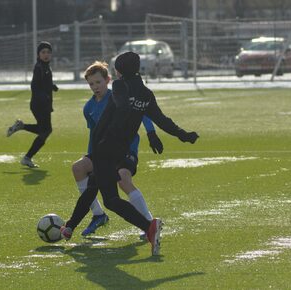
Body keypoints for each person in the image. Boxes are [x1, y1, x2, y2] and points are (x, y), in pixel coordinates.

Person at [61, 52, 199, 256]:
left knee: (109, 199)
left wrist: (122, 109)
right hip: (119, 150)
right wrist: (183, 135)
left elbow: (121, 105)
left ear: (118, 71)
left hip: (104, 147)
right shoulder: (145, 94)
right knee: (93, 187)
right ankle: (70, 226)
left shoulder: (119, 86)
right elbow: (162, 120)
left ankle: (149, 227)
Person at [72, 61, 163, 238]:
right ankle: (98, 215)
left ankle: (150, 223)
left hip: (125, 149)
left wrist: (151, 132)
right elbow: (94, 135)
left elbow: (142, 112)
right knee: (78, 168)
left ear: (108, 80)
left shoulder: (120, 97)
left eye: (98, 82)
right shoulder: (89, 108)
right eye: (91, 84)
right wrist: (93, 160)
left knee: (123, 178)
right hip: (103, 153)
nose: (95, 87)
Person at [6, 41, 59, 168]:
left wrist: (52, 87)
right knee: (46, 131)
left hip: (42, 104)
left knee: (44, 130)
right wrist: (43, 96)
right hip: (39, 104)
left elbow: (43, 83)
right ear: (38, 54)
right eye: (43, 52)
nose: (46, 55)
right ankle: (27, 157)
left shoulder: (45, 67)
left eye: (48, 52)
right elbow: (34, 86)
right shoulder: (39, 67)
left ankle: (21, 127)